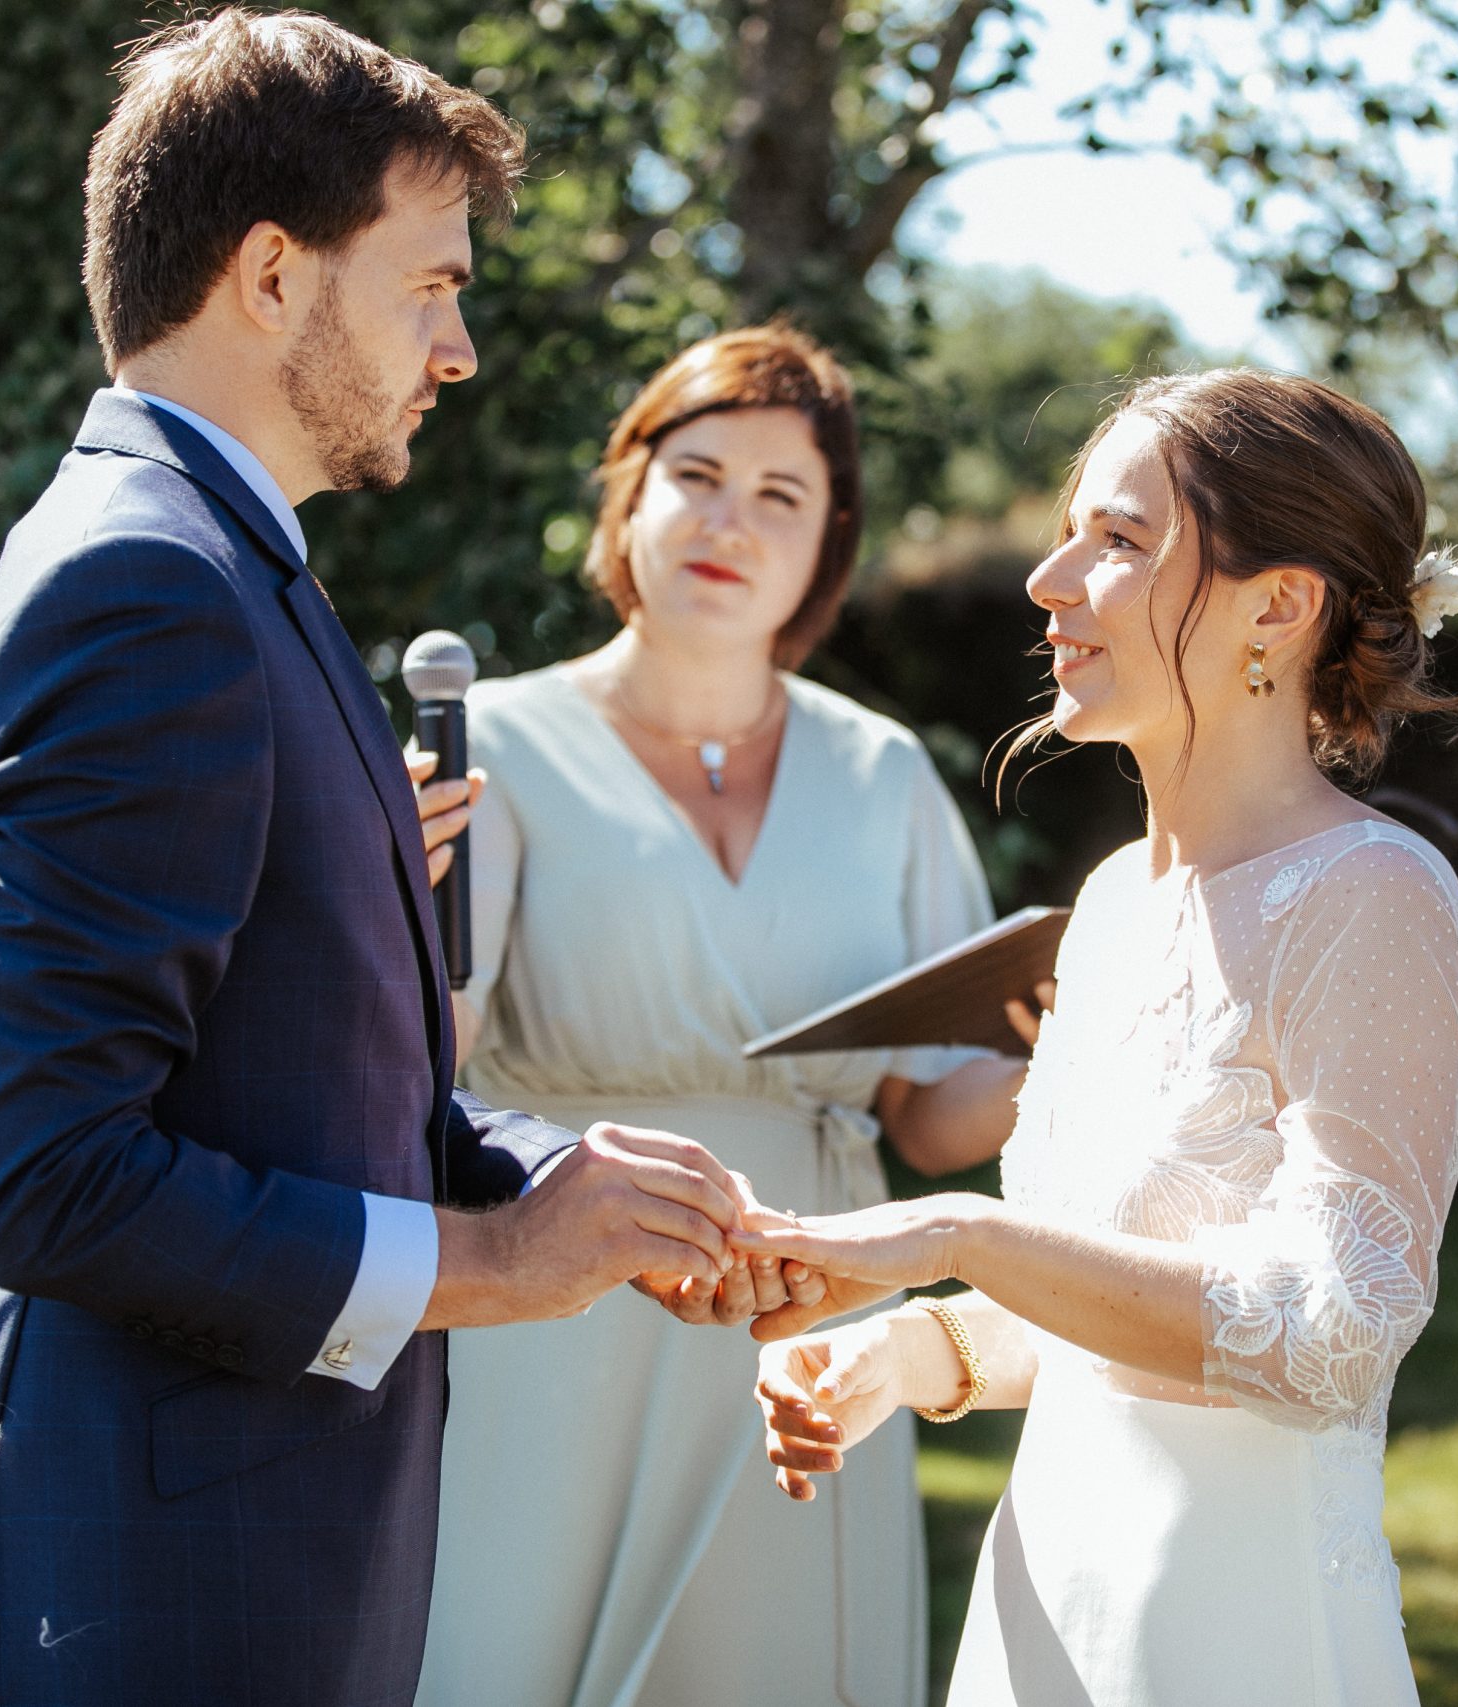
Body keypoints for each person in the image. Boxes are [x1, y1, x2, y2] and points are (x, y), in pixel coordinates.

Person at [0, 15, 793, 1706]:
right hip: (153, 1596)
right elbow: (56, 1176)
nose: (455, 350)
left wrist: (562, 1186)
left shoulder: (229, 569)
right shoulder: (146, 590)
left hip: (244, 1558)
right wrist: (499, 1268)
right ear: (274, 275)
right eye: (429, 286)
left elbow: (299, 1079)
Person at [737, 367, 1458, 1705]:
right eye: (1072, 527)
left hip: (1232, 1626)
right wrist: (917, 1353)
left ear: (1280, 603)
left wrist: (952, 1232)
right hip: (1048, 1599)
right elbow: (1127, 1298)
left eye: (1122, 539)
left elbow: (1329, 1333)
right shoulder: (1107, 906)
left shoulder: (1373, 895)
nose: (1048, 576)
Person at [415, 325, 1030, 1707]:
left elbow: (931, 1121)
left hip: (805, 1319)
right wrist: (380, 905)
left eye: (781, 496)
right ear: (627, 494)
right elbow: (421, 1072)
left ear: (829, 545)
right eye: (697, 473)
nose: (729, 523)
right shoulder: (490, 751)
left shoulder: (883, 774)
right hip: (560, 1306)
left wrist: (1058, 1040)